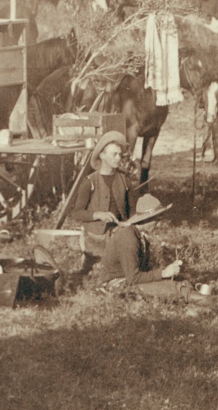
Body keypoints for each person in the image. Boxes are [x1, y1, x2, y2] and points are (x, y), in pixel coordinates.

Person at [98, 194, 209, 303]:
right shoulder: (128, 238)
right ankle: (209, 302)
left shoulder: (139, 236)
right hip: (118, 285)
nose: (159, 225)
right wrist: (163, 273)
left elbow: (143, 271)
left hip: (130, 280)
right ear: (147, 219)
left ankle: (200, 299)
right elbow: (133, 278)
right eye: (157, 220)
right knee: (173, 287)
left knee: (180, 282)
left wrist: (166, 273)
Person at [69, 130, 134, 272]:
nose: (118, 158)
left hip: (118, 233)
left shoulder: (125, 180)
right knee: (100, 270)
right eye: (114, 154)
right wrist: (98, 214)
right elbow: (77, 214)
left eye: (119, 155)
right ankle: (91, 259)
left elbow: (131, 211)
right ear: (102, 156)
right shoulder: (89, 182)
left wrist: (128, 225)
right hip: (95, 237)